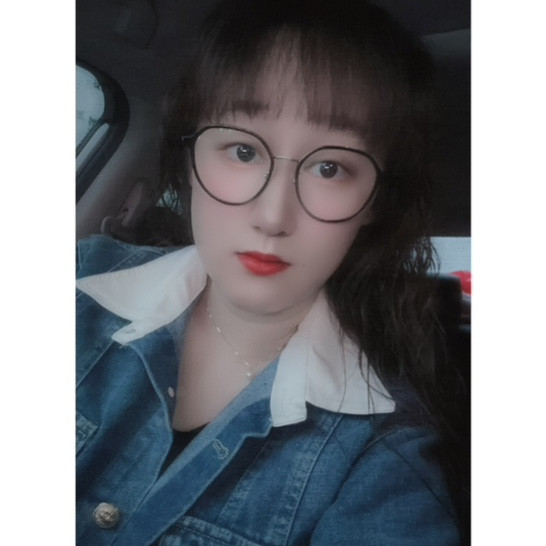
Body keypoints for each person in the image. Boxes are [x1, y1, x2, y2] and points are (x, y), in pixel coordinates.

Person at [76, 0, 467, 544]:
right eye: (242, 151)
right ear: (190, 158)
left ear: (374, 203)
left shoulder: (383, 452)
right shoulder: (78, 285)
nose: (273, 216)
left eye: (330, 168)